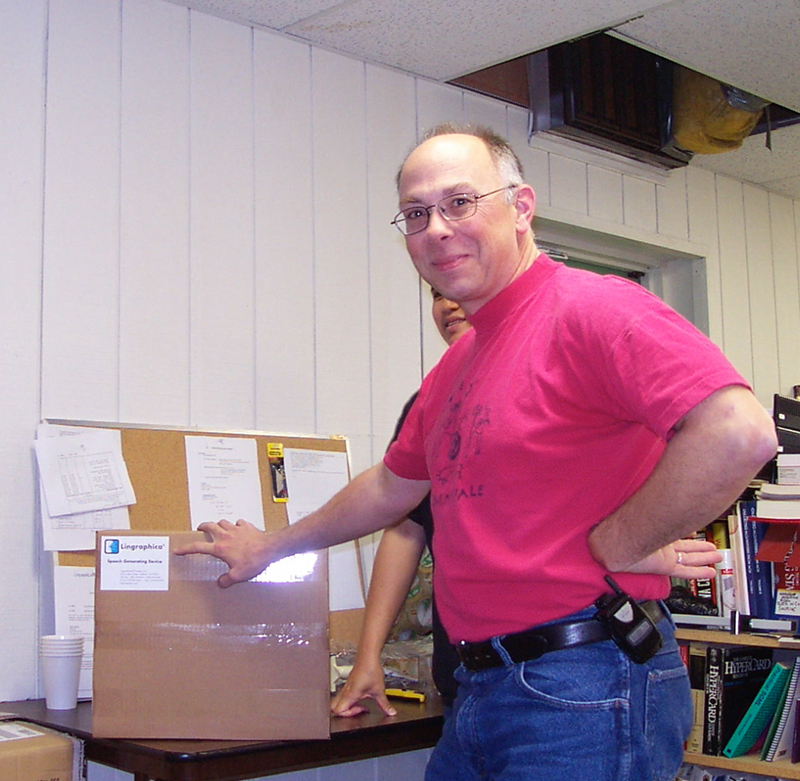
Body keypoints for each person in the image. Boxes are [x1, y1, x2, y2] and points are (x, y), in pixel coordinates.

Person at [176, 123, 777, 781]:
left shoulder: (593, 308)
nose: (436, 228)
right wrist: (270, 547)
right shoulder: (457, 365)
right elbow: (390, 488)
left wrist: (621, 541)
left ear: (521, 207)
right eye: (415, 214)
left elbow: (737, 431)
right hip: (482, 685)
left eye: (459, 202)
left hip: (584, 681)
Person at [331, 287, 470, 718]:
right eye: (438, 294)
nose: (448, 304)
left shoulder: (546, 376)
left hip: (555, 669)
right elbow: (406, 527)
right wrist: (367, 655)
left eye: (461, 287)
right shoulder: (429, 404)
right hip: (463, 677)